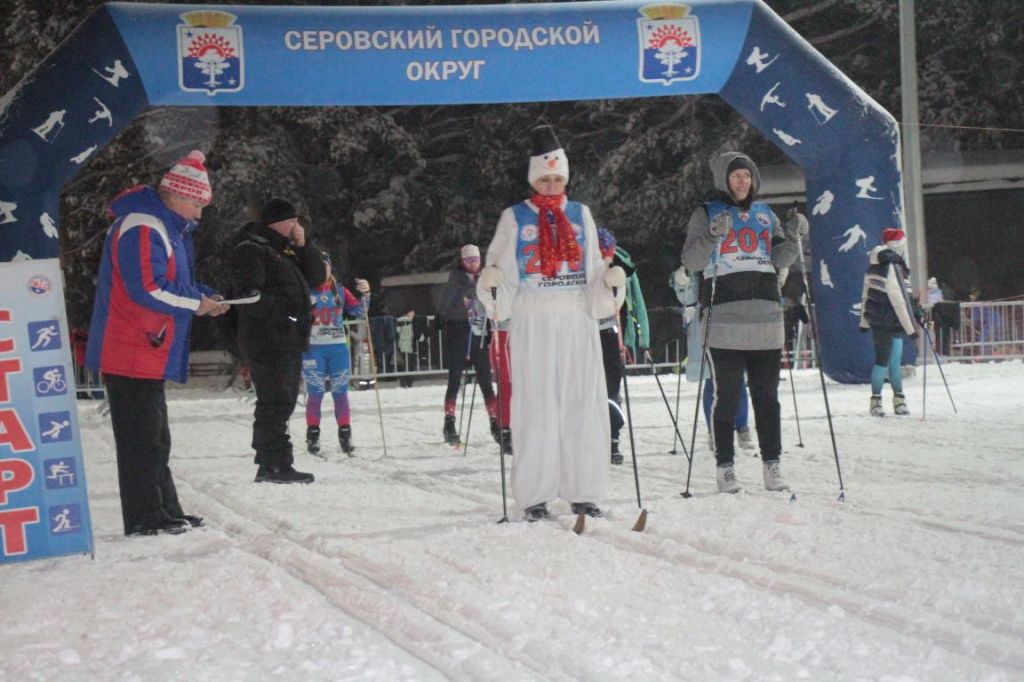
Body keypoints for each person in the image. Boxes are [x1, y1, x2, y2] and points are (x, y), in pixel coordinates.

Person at [478, 125, 623, 520]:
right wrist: (490, 282)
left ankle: (584, 490)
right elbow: (502, 274)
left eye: (557, 178)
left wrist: (610, 283)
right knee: (536, 405)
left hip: (575, 315)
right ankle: (535, 495)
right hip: (534, 315)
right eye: (544, 178)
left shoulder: (581, 215)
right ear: (532, 178)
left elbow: (595, 268)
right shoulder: (515, 217)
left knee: (582, 402)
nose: (551, 184)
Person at [85, 150, 227, 535]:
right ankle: (146, 516)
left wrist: (203, 295)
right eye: (198, 204)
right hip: (131, 347)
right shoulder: (144, 226)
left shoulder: (163, 228)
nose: (199, 214)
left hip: (144, 347)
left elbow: (168, 284)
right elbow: (146, 288)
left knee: (155, 437)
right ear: (178, 196)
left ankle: (165, 510)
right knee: (141, 439)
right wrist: (196, 303)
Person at [680, 151, 802, 493]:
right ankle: (725, 467)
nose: (742, 181)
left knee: (768, 396)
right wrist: (712, 236)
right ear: (724, 179)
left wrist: (793, 237)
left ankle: (772, 464)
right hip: (724, 316)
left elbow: (781, 257)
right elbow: (691, 259)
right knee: (727, 395)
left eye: (747, 175)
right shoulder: (706, 212)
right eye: (735, 176)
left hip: (765, 315)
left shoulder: (765, 214)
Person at [231, 198, 327, 483]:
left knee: (283, 399)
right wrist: (286, 315)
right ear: (277, 222)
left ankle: (273, 460)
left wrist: (303, 245)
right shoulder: (253, 249)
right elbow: (250, 295)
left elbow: (317, 276)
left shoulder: (283, 250)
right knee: (275, 400)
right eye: (292, 220)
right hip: (268, 338)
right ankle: (274, 463)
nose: (296, 225)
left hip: (287, 338)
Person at [303, 255, 370, 456]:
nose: (322, 270)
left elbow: (359, 312)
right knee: (315, 394)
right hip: (314, 349)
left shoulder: (339, 291)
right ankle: (313, 436)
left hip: (338, 348)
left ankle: (345, 436)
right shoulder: (306, 291)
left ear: (331, 268)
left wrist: (366, 295)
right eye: (318, 266)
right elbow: (292, 315)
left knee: (340, 393)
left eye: (325, 266)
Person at [596, 228, 649, 465]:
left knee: (611, 388)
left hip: (609, 332)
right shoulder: (575, 260)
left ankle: (612, 438)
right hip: (579, 333)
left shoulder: (620, 262)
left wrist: (642, 339)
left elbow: (635, 299)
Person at [438, 244, 499, 446]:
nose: (473, 264)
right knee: (455, 378)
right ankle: (449, 422)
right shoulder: (455, 279)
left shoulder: (485, 277)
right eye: (468, 261)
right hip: (459, 333)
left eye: (476, 260)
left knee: (485, 379)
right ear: (462, 262)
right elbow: (447, 304)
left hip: (480, 333)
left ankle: (495, 420)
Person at [859, 227, 918, 416]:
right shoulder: (893, 266)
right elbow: (899, 299)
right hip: (890, 320)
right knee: (886, 362)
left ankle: (891, 400)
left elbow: (865, 295)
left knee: (889, 362)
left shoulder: (875, 264)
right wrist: (912, 327)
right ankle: (885, 401)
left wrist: (864, 321)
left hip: (882, 321)